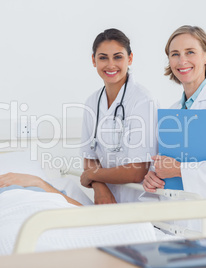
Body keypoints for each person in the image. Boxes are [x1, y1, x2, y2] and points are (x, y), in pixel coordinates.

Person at [142, 25, 206, 235]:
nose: (182, 61)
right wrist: (152, 178)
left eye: (190, 52)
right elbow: (164, 167)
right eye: (175, 54)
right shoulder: (170, 112)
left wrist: (180, 169)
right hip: (171, 226)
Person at [80, 28, 158, 204]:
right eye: (102, 57)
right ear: (94, 60)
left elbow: (138, 170)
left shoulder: (143, 101)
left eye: (118, 57)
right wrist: (100, 188)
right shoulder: (92, 102)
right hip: (106, 201)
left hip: (139, 203)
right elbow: (89, 158)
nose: (110, 65)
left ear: (129, 59)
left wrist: (92, 175)